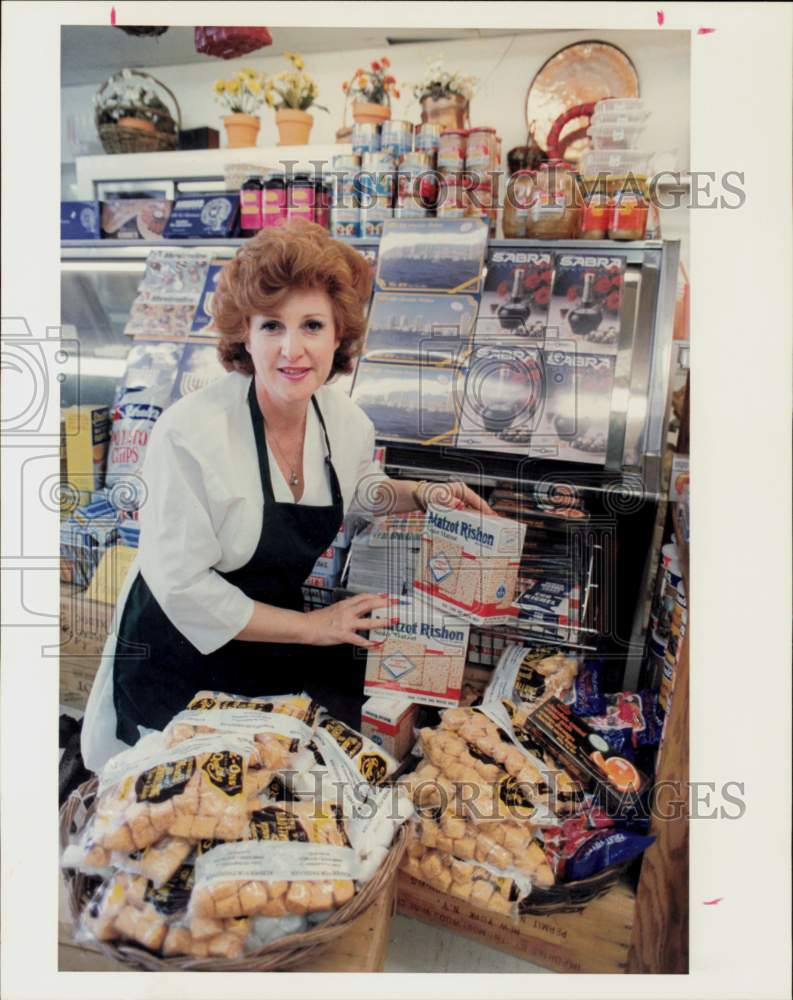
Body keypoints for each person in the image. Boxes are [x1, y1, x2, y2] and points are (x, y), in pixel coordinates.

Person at [82, 221, 494, 772]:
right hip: (176, 654)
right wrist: (313, 628)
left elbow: (355, 490)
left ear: (338, 336)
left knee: (259, 791)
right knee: (183, 808)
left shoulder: (345, 422)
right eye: (272, 325)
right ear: (244, 335)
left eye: (312, 325)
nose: (292, 349)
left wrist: (423, 494)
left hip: (266, 648)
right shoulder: (190, 433)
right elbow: (182, 587)